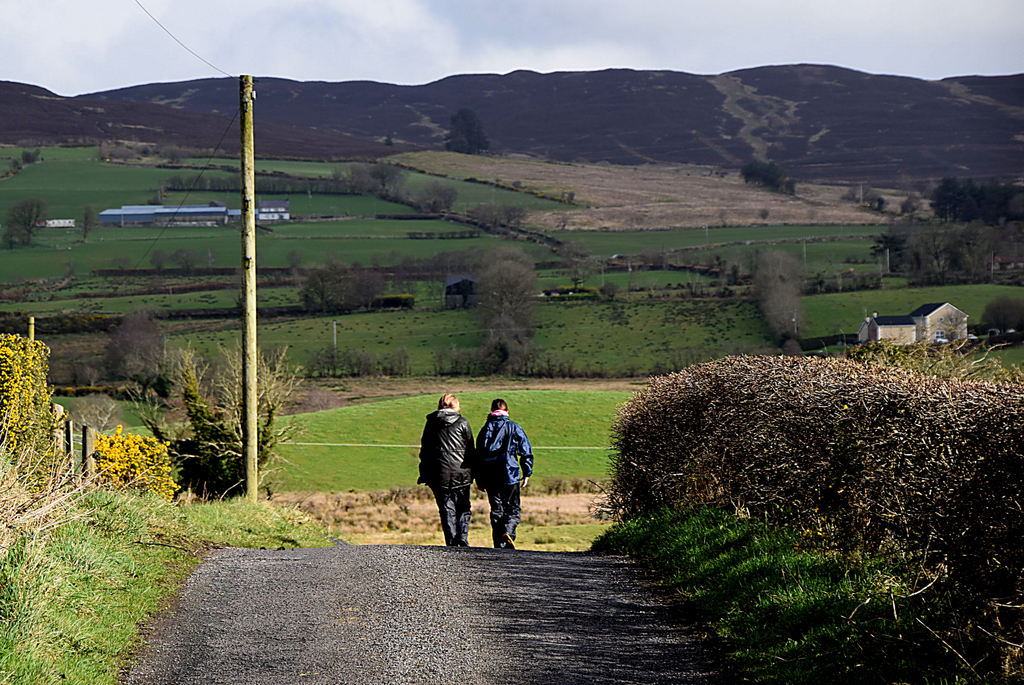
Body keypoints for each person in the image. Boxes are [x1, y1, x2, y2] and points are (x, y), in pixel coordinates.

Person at [474, 398, 533, 549]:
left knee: (496, 510)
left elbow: (478, 456)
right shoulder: (514, 427)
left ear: (491, 411)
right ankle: (508, 531)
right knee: (513, 509)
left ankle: (498, 545)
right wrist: (527, 472)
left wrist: (479, 478)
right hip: (510, 474)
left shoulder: (485, 428)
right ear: (507, 412)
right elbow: (525, 451)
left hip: (490, 476)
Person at [417, 393, 475, 546]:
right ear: (456, 406)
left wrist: (424, 473)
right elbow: (470, 449)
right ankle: (462, 537)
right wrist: (473, 471)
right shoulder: (463, 422)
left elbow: (425, 451)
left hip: (438, 473)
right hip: (461, 472)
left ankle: (451, 540)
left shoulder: (431, 424)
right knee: (463, 507)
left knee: (446, 508)